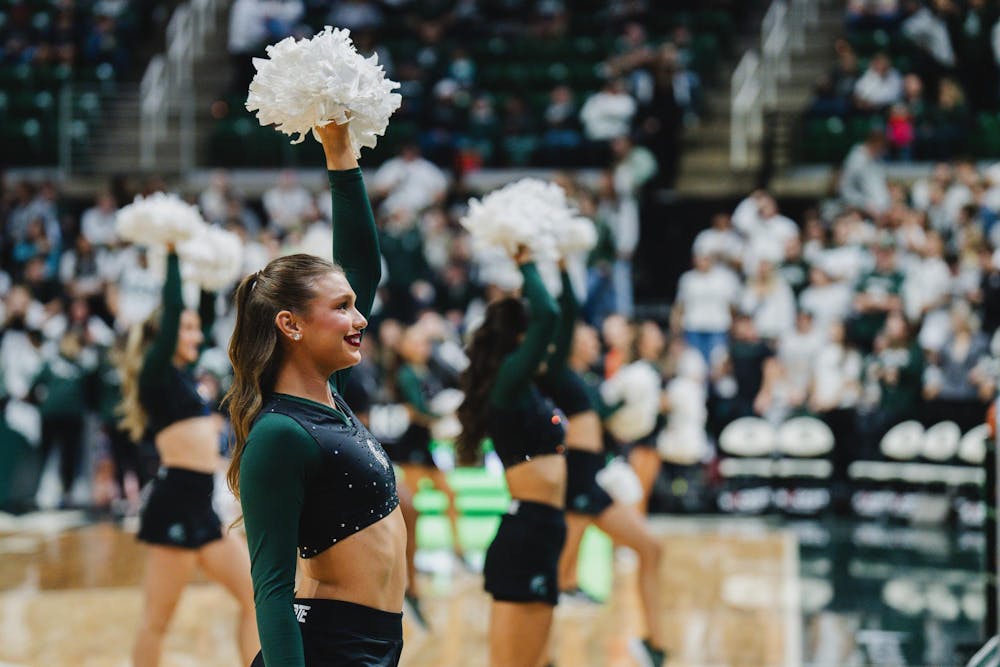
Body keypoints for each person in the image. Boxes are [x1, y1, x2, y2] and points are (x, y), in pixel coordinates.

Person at [226, 121, 407, 666]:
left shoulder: (330, 396)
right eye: (341, 308)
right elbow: (272, 591)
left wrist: (340, 154)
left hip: (373, 643)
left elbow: (364, 267)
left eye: (355, 306)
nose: (359, 319)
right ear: (291, 325)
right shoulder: (279, 434)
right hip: (328, 647)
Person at [118, 246, 258, 666]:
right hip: (174, 502)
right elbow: (176, 305)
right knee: (157, 621)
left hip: (202, 504)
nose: (198, 336)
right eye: (189, 329)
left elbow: (206, 317)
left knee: (256, 599)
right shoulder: (155, 372)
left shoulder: (183, 378)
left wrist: (209, 274)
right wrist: (175, 253)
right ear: (166, 333)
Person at [539, 276, 667, 667]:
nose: (595, 340)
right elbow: (560, 314)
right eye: (586, 334)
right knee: (555, 580)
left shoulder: (592, 379)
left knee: (652, 548)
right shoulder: (559, 373)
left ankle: (654, 644)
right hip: (574, 480)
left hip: (593, 481)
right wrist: (563, 269)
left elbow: (609, 418)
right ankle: (540, 656)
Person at [456, 248, 566, 667]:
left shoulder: (529, 386)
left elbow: (562, 318)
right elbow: (550, 316)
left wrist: (561, 267)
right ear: (521, 337)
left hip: (545, 530)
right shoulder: (508, 383)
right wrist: (526, 261)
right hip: (526, 534)